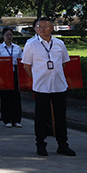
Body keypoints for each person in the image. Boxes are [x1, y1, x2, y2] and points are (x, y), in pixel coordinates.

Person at [22, 17, 75, 157]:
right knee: (41, 117)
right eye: (39, 26)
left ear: (52, 28)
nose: (41, 29)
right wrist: (38, 77)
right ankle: (40, 144)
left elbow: (63, 62)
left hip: (59, 85)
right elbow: (27, 66)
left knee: (60, 117)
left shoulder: (59, 43)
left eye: (45, 27)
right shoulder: (31, 44)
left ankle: (62, 145)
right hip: (41, 86)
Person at [0, 28, 23, 128]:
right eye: (7, 35)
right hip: (4, 73)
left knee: (16, 97)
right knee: (5, 97)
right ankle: (7, 119)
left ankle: (16, 119)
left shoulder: (17, 48)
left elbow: (20, 60)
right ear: (3, 36)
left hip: (15, 72)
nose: (9, 37)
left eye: (11, 35)